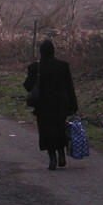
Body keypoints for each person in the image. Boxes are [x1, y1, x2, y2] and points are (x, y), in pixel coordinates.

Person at [23, 40, 78, 171]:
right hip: (61, 104)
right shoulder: (63, 66)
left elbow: (27, 86)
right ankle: (62, 155)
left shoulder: (34, 68)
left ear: (40, 52)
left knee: (46, 132)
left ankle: (52, 159)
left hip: (43, 105)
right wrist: (74, 106)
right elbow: (70, 87)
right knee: (59, 129)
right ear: (54, 51)